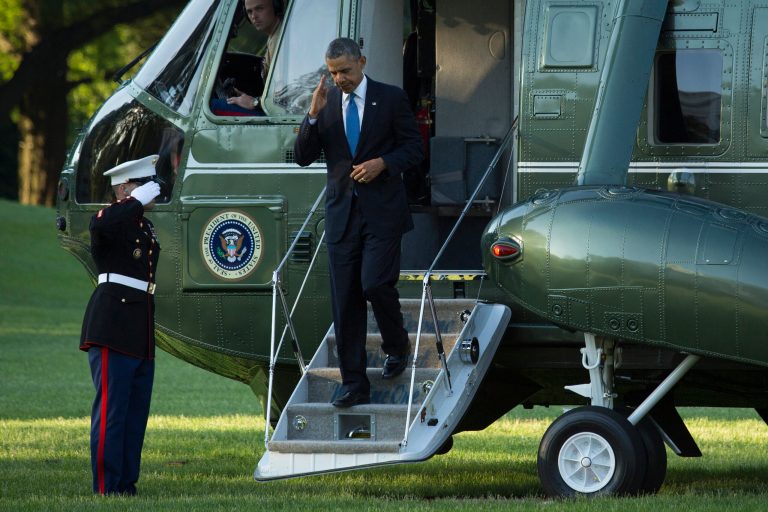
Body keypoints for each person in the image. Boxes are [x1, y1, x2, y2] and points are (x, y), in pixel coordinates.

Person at [294, 38, 424, 407]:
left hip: (383, 212)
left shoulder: (392, 98)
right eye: (333, 73)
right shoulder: (327, 102)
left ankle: (396, 345)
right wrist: (312, 116)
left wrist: (383, 163)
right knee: (344, 300)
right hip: (341, 217)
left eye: (345, 71)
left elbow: (414, 149)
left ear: (362, 62)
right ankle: (354, 383)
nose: (339, 79)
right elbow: (303, 157)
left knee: (375, 283)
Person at [79, 155, 162, 495]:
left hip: (138, 323)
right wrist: (132, 202)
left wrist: (136, 205)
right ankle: (106, 484)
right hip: (113, 322)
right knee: (112, 410)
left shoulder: (141, 225)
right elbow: (99, 226)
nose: (152, 192)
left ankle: (126, 481)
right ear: (125, 189)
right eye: (144, 186)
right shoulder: (110, 221)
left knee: (134, 411)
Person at [218, 0, 284, 115]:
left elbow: (285, 96)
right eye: (249, 12)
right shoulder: (275, 34)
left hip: (279, 113)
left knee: (214, 106)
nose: (254, 16)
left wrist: (254, 102)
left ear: (276, 7)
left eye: (259, 9)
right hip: (272, 106)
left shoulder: (280, 41)